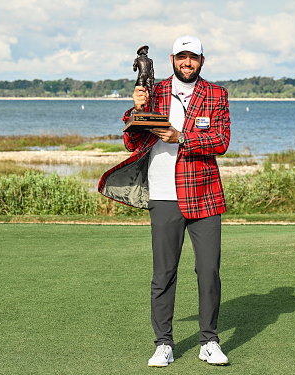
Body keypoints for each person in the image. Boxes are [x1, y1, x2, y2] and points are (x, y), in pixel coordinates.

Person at [98, 35, 231, 367]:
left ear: (202, 59)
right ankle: (163, 343)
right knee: (164, 273)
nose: (188, 62)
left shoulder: (216, 94)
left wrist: (182, 136)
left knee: (209, 271)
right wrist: (138, 108)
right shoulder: (153, 91)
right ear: (172, 58)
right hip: (163, 194)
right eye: (182, 56)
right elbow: (131, 140)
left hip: (204, 194)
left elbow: (221, 140)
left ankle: (209, 341)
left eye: (194, 57)